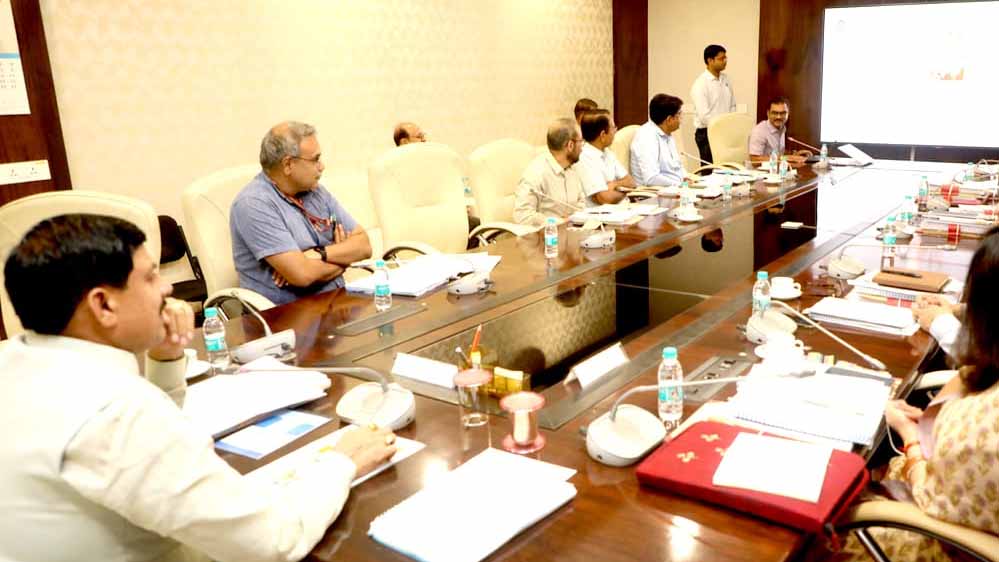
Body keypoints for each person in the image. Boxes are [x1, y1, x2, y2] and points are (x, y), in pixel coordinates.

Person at [0, 214, 397, 562]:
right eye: (150, 277)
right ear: (103, 305)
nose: (166, 290)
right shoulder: (116, 413)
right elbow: (272, 542)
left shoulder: (18, 362)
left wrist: (165, 359)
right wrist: (342, 461)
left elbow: (145, 454)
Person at [817, 226, 999, 562]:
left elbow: (931, 494)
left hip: (942, 543)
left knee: (813, 524)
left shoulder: (986, 424)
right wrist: (958, 311)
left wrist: (910, 436)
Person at [230, 121, 372, 305]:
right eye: (315, 159)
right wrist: (344, 258)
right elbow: (303, 275)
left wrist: (319, 253)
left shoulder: (315, 191)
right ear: (288, 164)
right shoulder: (254, 204)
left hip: (337, 302)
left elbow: (364, 245)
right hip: (289, 314)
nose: (321, 166)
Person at [513, 117, 587, 226]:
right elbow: (523, 216)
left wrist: (573, 218)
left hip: (574, 230)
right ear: (570, 145)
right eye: (581, 141)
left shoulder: (573, 169)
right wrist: (557, 222)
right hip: (547, 234)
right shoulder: (536, 173)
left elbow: (581, 203)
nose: (582, 147)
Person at [577, 109, 636, 204]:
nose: (616, 130)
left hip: (623, 207)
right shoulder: (584, 157)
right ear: (603, 135)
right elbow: (604, 198)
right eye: (613, 128)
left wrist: (614, 184)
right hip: (602, 212)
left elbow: (631, 182)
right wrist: (625, 192)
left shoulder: (607, 152)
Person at [690, 44, 735, 164]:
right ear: (710, 60)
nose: (725, 61)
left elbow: (732, 105)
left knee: (726, 167)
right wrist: (720, 127)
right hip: (707, 133)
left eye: (725, 58)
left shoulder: (726, 79)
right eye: (721, 58)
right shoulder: (701, 84)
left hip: (725, 131)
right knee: (710, 169)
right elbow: (704, 116)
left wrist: (729, 125)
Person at [629, 93, 687, 187]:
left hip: (675, 188)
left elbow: (677, 166)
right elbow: (651, 179)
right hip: (654, 193)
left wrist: (686, 178)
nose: (681, 119)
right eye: (679, 115)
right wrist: (681, 185)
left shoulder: (667, 134)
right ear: (669, 119)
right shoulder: (646, 137)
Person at [748, 96, 811, 165]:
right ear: (768, 113)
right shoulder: (759, 131)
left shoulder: (782, 128)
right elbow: (754, 160)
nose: (779, 117)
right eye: (775, 113)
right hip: (759, 171)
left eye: (783, 113)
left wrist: (794, 155)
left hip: (777, 169)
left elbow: (778, 154)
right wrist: (788, 158)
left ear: (788, 114)